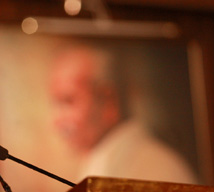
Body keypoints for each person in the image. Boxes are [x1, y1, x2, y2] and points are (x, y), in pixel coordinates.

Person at [49, 42, 198, 184]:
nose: (57, 120)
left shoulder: (154, 168)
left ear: (108, 101)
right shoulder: (102, 162)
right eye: (55, 103)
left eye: (68, 101)